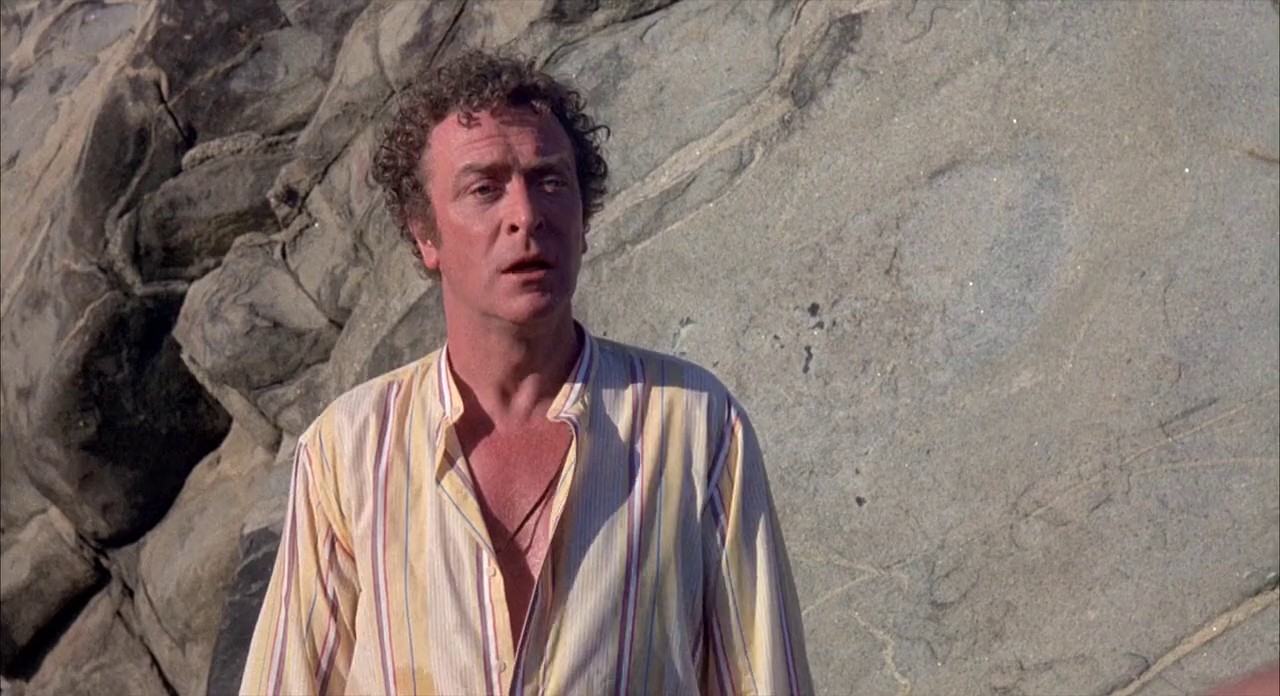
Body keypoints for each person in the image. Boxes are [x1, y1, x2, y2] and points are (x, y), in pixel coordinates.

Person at [238, 50, 811, 695]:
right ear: (425, 235)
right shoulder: (348, 450)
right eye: (484, 187)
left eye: (550, 181)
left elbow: (764, 679)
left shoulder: (696, 424)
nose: (527, 213)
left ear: (584, 218)